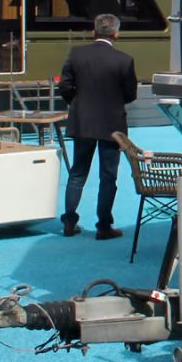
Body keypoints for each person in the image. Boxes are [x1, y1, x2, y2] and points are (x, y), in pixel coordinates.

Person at [58, 13, 139, 239]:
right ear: (116, 34)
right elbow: (130, 94)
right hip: (112, 124)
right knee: (108, 176)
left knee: (77, 173)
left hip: (82, 121)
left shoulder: (77, 54)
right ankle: (104, 226)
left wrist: (77, 102)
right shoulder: (124, 60)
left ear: (94, 32)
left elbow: (65, 86)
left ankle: (69, 221)